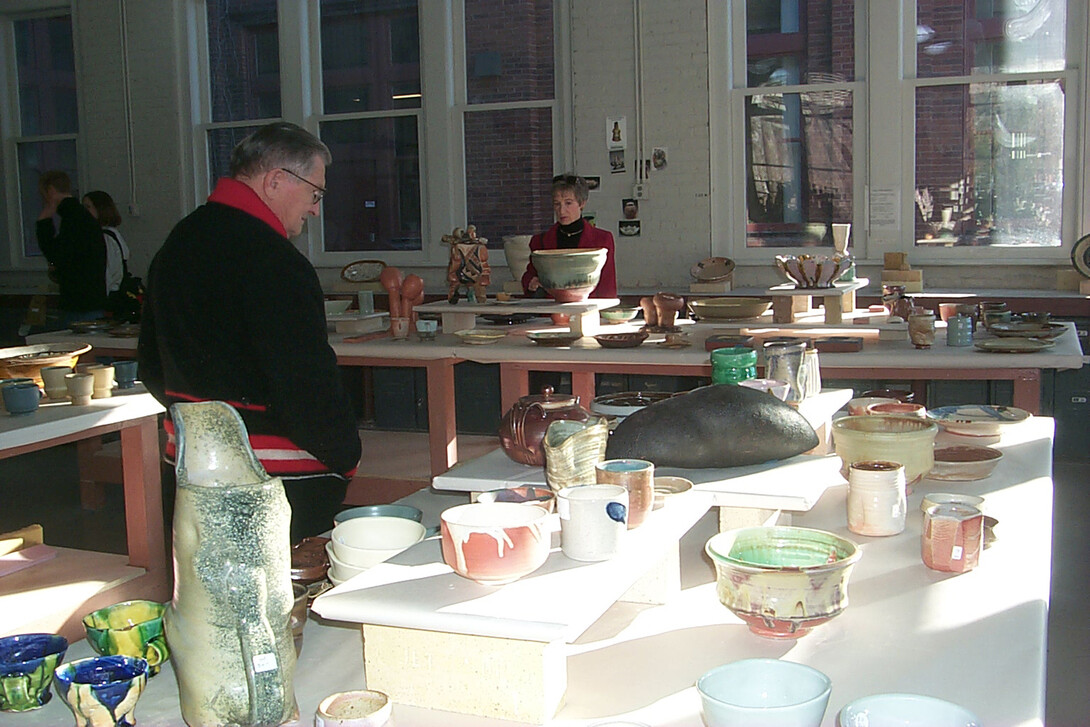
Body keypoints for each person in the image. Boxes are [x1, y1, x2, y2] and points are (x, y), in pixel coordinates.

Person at [137, 121, 362, 541]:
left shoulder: (179, 242)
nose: (315, 208)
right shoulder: (276, 261)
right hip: (275, 481)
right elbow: (304, 384)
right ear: (276, 180)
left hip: (193, 467)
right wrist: (346, 456)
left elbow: (151, 365)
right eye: (316, 193)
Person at [521, 174, 617, 298]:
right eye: (557, 204)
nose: (561, 210)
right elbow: (530, 275)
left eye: (568, 203)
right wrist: (531, 282)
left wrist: (604, 315)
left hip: (586, 311)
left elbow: (607, 286)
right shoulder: (539, 242)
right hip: (551, 312)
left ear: (582, 203)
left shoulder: (602, 239)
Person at [36, 171, 108, 324]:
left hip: (80, 303)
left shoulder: (73, 218)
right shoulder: (81, 217)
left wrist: (44, 220)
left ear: (51, 191)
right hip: (90, 298)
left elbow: (55, 253)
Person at [82, 190, 131, 296]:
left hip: (107, 296)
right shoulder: (110, 233)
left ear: (100, 209)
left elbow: (107, 273)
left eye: (88, 207)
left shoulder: (105, 238)